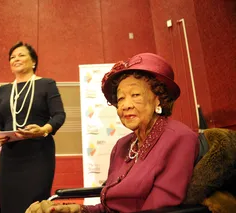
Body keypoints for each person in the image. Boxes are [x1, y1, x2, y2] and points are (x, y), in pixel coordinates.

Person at [26, 53, 199, 213]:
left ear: (158, 98)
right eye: (121, 98)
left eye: (135, 94)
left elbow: (160, 209)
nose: (125, 105)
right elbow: (109, 208)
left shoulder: (179, 138)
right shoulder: (121, 146)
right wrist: (75, 210)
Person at [0, 41, 66, 213]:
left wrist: (44, 130)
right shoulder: (4, 90)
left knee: (35, 205)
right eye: (12, 57)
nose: (15, 59)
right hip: (10, 157)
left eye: (21, 55)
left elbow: (59, 115)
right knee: (10, 204)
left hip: (38, 155)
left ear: (33, 62)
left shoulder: (47, 84)